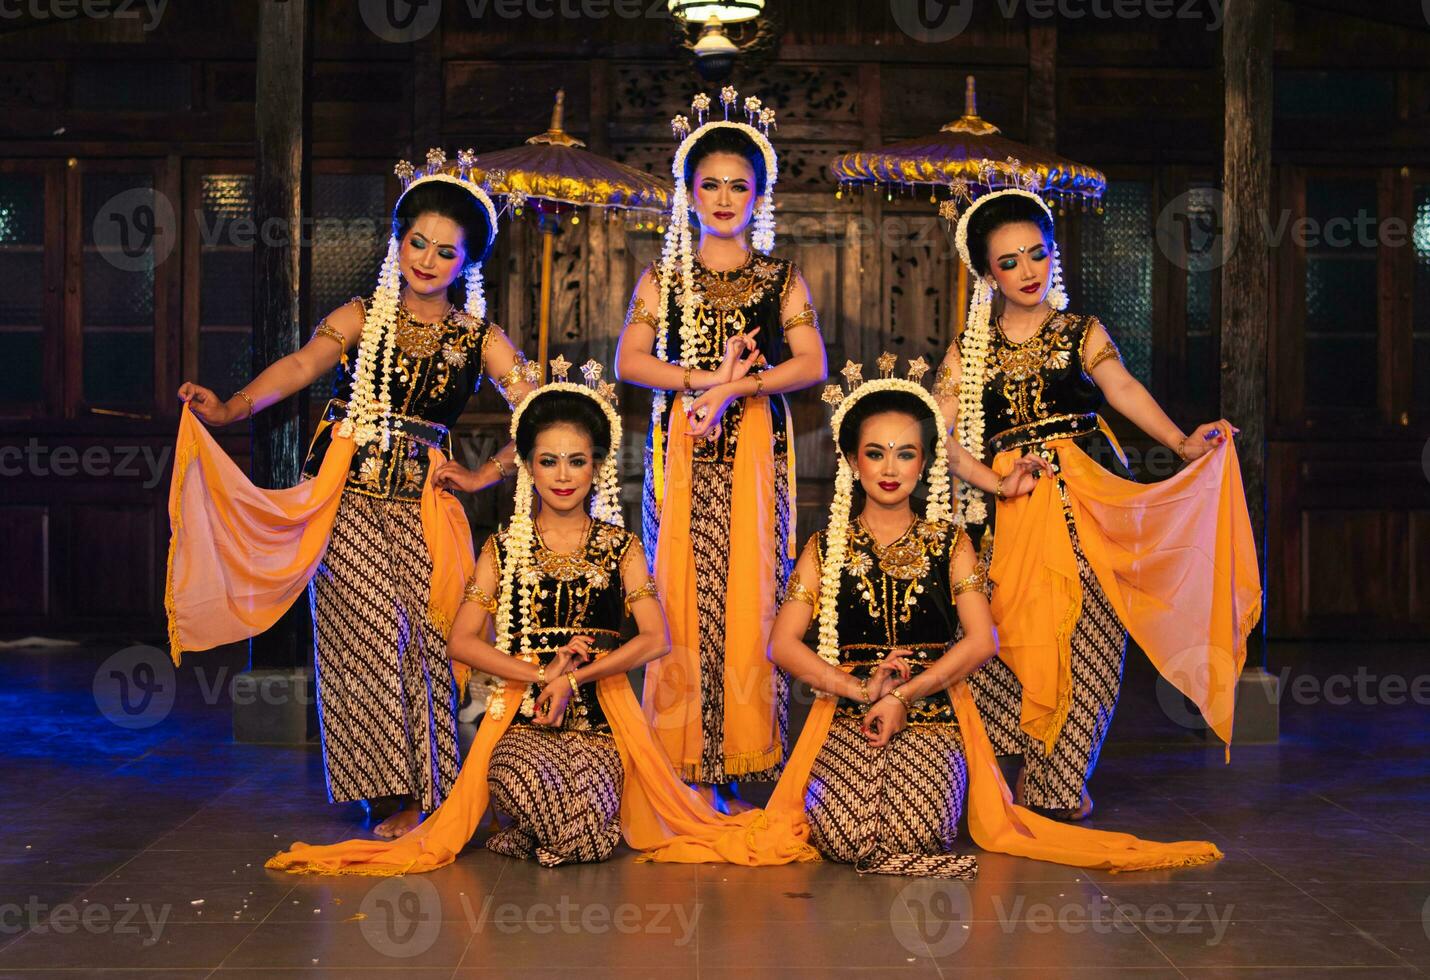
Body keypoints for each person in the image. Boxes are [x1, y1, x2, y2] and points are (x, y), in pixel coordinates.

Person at [169, 149, 537, 838]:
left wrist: (488, 473)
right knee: (361, 645)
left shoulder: (478, 339)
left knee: (430, 644)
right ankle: (388, 797)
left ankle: (438, 792)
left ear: (465, 265)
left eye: (445, 252)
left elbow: (541, 412)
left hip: (425, 509)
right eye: (416, 242)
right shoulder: (362, 314)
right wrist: (229, 408)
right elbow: (302, 365)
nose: (426, 259)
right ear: (399, 241)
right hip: (345, 503)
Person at [932, 174, 1262, 820]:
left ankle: (1057, 783)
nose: (1027, 270)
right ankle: (1009, 759)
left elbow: (1123, 388)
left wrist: (1181, 441)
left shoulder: (1080, 330)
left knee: (1092, 646)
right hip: (1017, 514)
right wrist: (995, 480)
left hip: (1090, 502)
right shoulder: (968, 351)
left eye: (1037, 253)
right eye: (1009, 261)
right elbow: (934, 433)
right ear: (987, 274)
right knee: (1011, 639)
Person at [615, 87, 827, 812]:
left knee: (750, 589)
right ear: (689, 193)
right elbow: (630, 362)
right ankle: (679, 765)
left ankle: (739, 758)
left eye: (740, 184)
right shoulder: (664, 277)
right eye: (711, 184)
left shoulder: (779, 277)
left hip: (755, 450)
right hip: (679, 446)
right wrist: (709, 379)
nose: (725, 196)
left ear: (760, 194)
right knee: (675, 585)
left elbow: (811, 363)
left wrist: (741, 389)